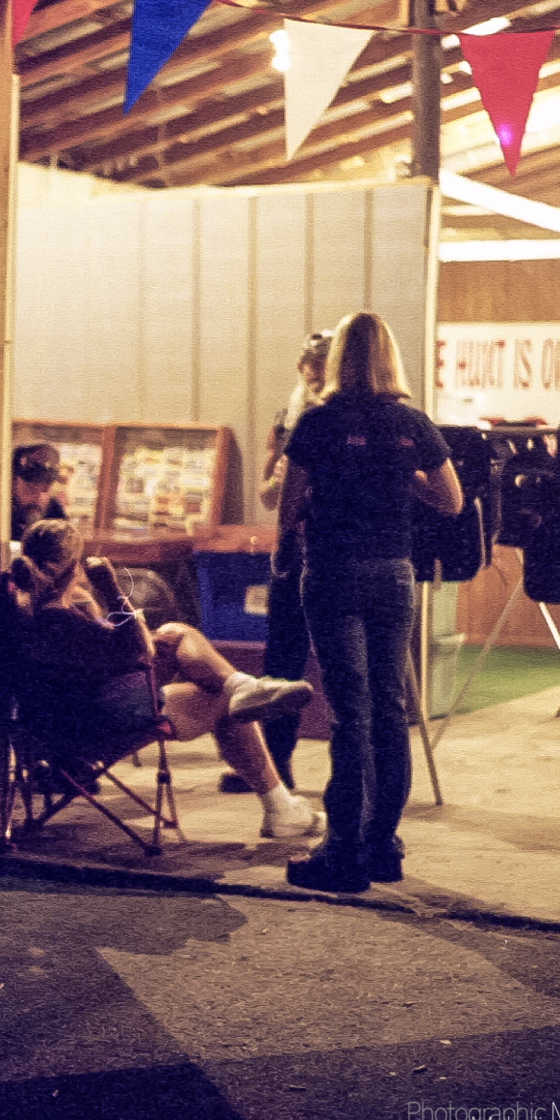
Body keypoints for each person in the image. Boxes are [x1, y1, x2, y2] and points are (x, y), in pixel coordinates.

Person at [276, 312, 463, 892]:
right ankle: (382, 846)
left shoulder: (317, 421)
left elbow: (288, 503)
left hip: (332, 571)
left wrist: (287, 545)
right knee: (389, 707)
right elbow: (451, 501)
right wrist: (403, 476)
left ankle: (342, 853)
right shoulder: (411, 422)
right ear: (390, 358)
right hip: (393, 573)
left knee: (350, 713)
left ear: (338, 359)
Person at [8, 518, 327, 840]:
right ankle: (280, 806)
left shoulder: (25, 613)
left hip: (53, 725)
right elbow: (139, 649)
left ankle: (243, 689)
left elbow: (110, 652)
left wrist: (87, 606)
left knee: (174, 634)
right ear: (70, 569)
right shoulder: (59, 620)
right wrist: (110, 590)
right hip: (101, 726)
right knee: (226, 700)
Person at [219, 329, 332, 795]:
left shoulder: (347, 415)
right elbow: (268, 497)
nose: (313, 374)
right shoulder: (287, 419)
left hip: (337, 549)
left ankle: (353, 778)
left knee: (341, 660)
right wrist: (283, 476)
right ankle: (275, 764)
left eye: (321, 365)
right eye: (308, 365)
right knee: (282, 660)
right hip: (293, 551)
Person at [12, 442, 68, 539]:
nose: (39, 498)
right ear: (13, 483)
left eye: (45, 489)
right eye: (31, 489)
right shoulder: (0, 514)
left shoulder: (55, 512)